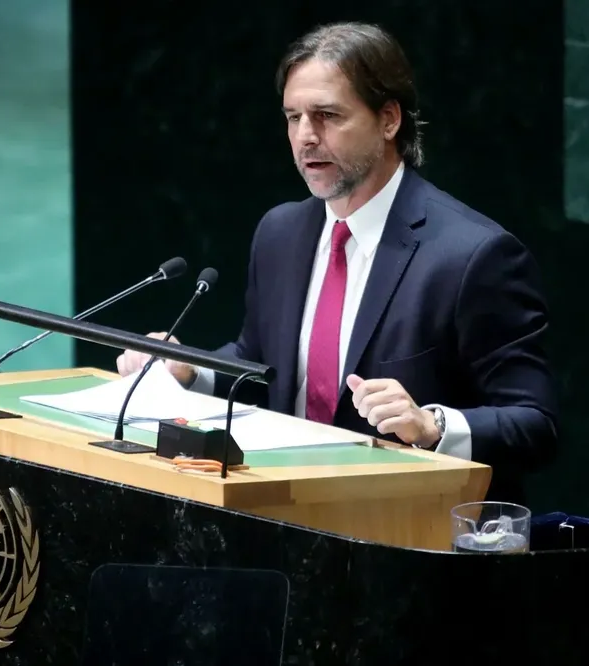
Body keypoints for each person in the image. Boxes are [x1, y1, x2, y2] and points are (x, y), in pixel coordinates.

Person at [117, 21, 558, 502]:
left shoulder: (472, 256)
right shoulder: (281, 233)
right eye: (293, 117)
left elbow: (535, 425)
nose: (306, 137)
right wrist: (191, 370)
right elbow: (259, 366)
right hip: (282, 514)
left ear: (389, 120)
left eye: (327, 115)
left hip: (402, 532)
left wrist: (432, 425)